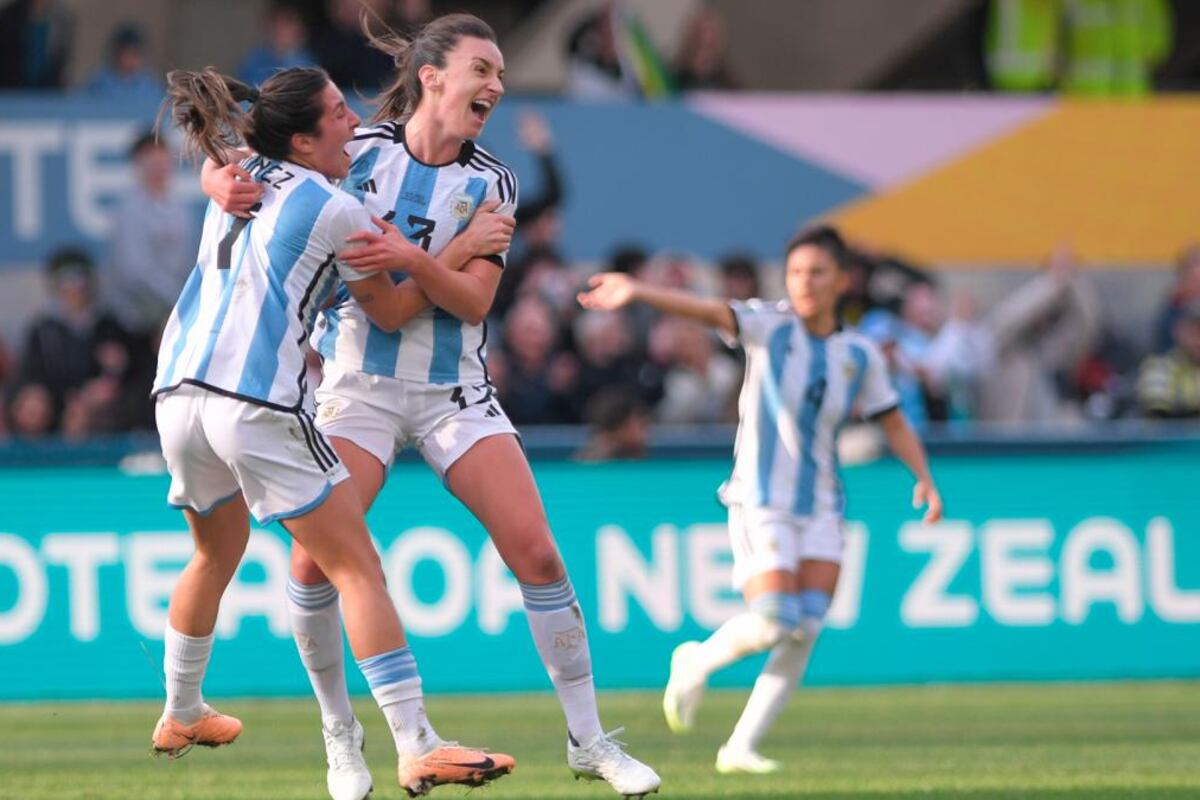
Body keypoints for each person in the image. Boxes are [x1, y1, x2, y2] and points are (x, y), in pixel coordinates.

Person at [201, 13, 661, 800]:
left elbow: (475, 304)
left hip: (456, 394)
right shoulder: (358, 153)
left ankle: (590, 741)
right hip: (355, 391)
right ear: (433, 76)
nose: (498, 86)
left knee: (540, 555)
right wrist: (218, 180)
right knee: (312, 561)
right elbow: (258, 164)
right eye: (484, 69)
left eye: (502, 74)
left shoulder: (495, 182)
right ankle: (342, 741)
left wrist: (415, 255)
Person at [152, 65, 515, 798]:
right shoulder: (333, 206)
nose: (353, 122)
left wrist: (210, 180)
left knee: (213, 554)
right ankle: (417, 743)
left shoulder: (241, 174)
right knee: (357, 567)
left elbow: (217, 175)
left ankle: (181, 711)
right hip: (253, 400)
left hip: (175, 395)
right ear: (304, 139)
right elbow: (390, 310)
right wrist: (461, 245)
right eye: (337, 114)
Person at [579, 224, 943, 774]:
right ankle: (695, 662)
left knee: (806, 628)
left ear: (843, 280)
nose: (804, 282)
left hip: (822, 503)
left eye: (817, 272)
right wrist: (639, 291)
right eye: (796, 271)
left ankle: (740, 746)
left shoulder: (859, 354)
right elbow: (706, 310)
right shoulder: (768, 326)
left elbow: (891, 419)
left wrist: (924, 477)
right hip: (761, 498)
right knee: (775, 620)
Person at [1137, 300, 1200, 419]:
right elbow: (1157, 412)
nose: (1198, 340)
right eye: (1194, 331)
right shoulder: (1160, 366)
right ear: (1178, 332)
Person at [237, 1, 318, 86]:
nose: (280, 29)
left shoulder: (307, 67)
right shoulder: (255, 58)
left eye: (288, 22)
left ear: (300, 29)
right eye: (276, 22)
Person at [83, 23, 162, 104]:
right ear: (115, 54)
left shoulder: (150, 86)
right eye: (126, 54)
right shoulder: (99, 84)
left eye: (135, 54)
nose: (130, 60)